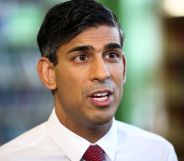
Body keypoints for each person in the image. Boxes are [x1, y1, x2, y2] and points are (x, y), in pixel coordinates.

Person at [0, 0, 178, 161]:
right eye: (82, 58)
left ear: (124, 67)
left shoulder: (158, 153)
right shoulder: (13, 158)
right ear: (48, 73)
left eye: (111, 55)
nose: (102, 73)